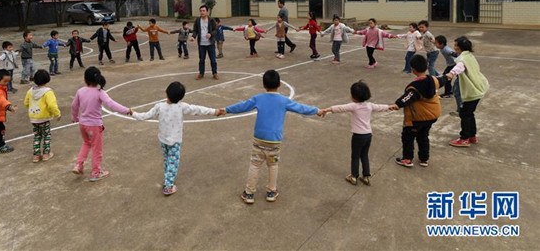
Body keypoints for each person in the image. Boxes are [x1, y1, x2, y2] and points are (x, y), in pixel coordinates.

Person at [218, 70, 325, 204]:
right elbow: (301, 108)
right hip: (274, 141)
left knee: (255, 164)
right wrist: (317, 110)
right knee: (273, 165)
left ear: (263, 85)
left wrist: (226, 109)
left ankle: (249, 193)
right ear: (279, 84)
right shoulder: (284, 101)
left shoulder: (259, 98)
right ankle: (271, 192)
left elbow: (243, 106)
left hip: (259, 139)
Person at [132, 81, 217, 195]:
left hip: (163, 140)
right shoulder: (181, 106)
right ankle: (168, 186)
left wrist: (133, 113)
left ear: (166, 92)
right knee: (173, 162)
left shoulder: (159, 106)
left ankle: (167, 179)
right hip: (175, 141)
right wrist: (214, 111)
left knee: (167, 160)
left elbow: (145, 116)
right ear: (181, 97)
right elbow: (198, 109)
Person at [321, 80, 397, 185]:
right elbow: (380, 107)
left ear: (354, 96)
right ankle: (366, 176)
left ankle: (354, 176)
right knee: (364, 155)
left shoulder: (354, 106)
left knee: (355, 156)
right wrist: (390, 106)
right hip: (368, 135)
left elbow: (340, 108)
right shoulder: (369, 105)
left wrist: (327, 109)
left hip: (358, 136)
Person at [71, 66, 132, 181]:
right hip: (94, 126)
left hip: (83, 124)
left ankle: (78, 165)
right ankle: (96, 173)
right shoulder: (100, 92)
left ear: (85, 79)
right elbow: (111, 104)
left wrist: (74, 117)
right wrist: (126, 110)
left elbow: (74, 105)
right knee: (97, 149)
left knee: (86, 143)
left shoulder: (80, 91)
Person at [392, 55, 445, 167]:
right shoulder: (433, 79)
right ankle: (424, 159)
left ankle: (407, 159)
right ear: (426, 67)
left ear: (413, 69)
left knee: (408, 137)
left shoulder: (415, 87)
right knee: (423, 136)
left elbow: (407, 97)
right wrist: (450, 75)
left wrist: (397, 104)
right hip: (432, 116)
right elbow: (443, 80)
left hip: (418, 118)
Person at [446, 36, 489, 147]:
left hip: (472, 91)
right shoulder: (469, 56)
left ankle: (464, 138)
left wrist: (451, 73)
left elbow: (460, 66)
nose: (454, 47)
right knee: (469, 113)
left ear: (460, 47)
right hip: (479, 88)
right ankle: (472, 136)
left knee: (464, 114)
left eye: (456, 45)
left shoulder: (463, 59)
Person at [25, 70, 61, 162]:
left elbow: (26, 103)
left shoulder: (30, 91)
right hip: (44, 118)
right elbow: (52, 105)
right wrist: (57, 114)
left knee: (37, 136)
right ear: (47, 79)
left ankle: (36, 155)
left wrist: (32, 110)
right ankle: (46, 154)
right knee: (46, 136)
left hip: (34, 118)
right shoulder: (48, 92)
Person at [190, 5, 219, 80]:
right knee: (201, 60)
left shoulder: (211, 20)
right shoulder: (197, 20)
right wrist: (193, 36)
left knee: (213, 60)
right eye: (201, 11)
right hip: (201, 44)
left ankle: (215, 73)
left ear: (207, 12)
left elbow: (216, 30)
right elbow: (195, 30)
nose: (202, 12)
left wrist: (210, 34)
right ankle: (201, 73)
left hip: (210, 43)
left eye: (203, 11)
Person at [435, 35, 458, 99]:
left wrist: (458, 56)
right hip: (451, 64)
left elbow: (453, 53)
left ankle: (447, 94)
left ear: (442, 44)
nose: (435, 44)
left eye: (436, 43)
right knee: (446, 78)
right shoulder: (442, 48)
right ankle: (450, 91)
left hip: (453, 65)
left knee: (446, 78)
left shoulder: (446, 49)